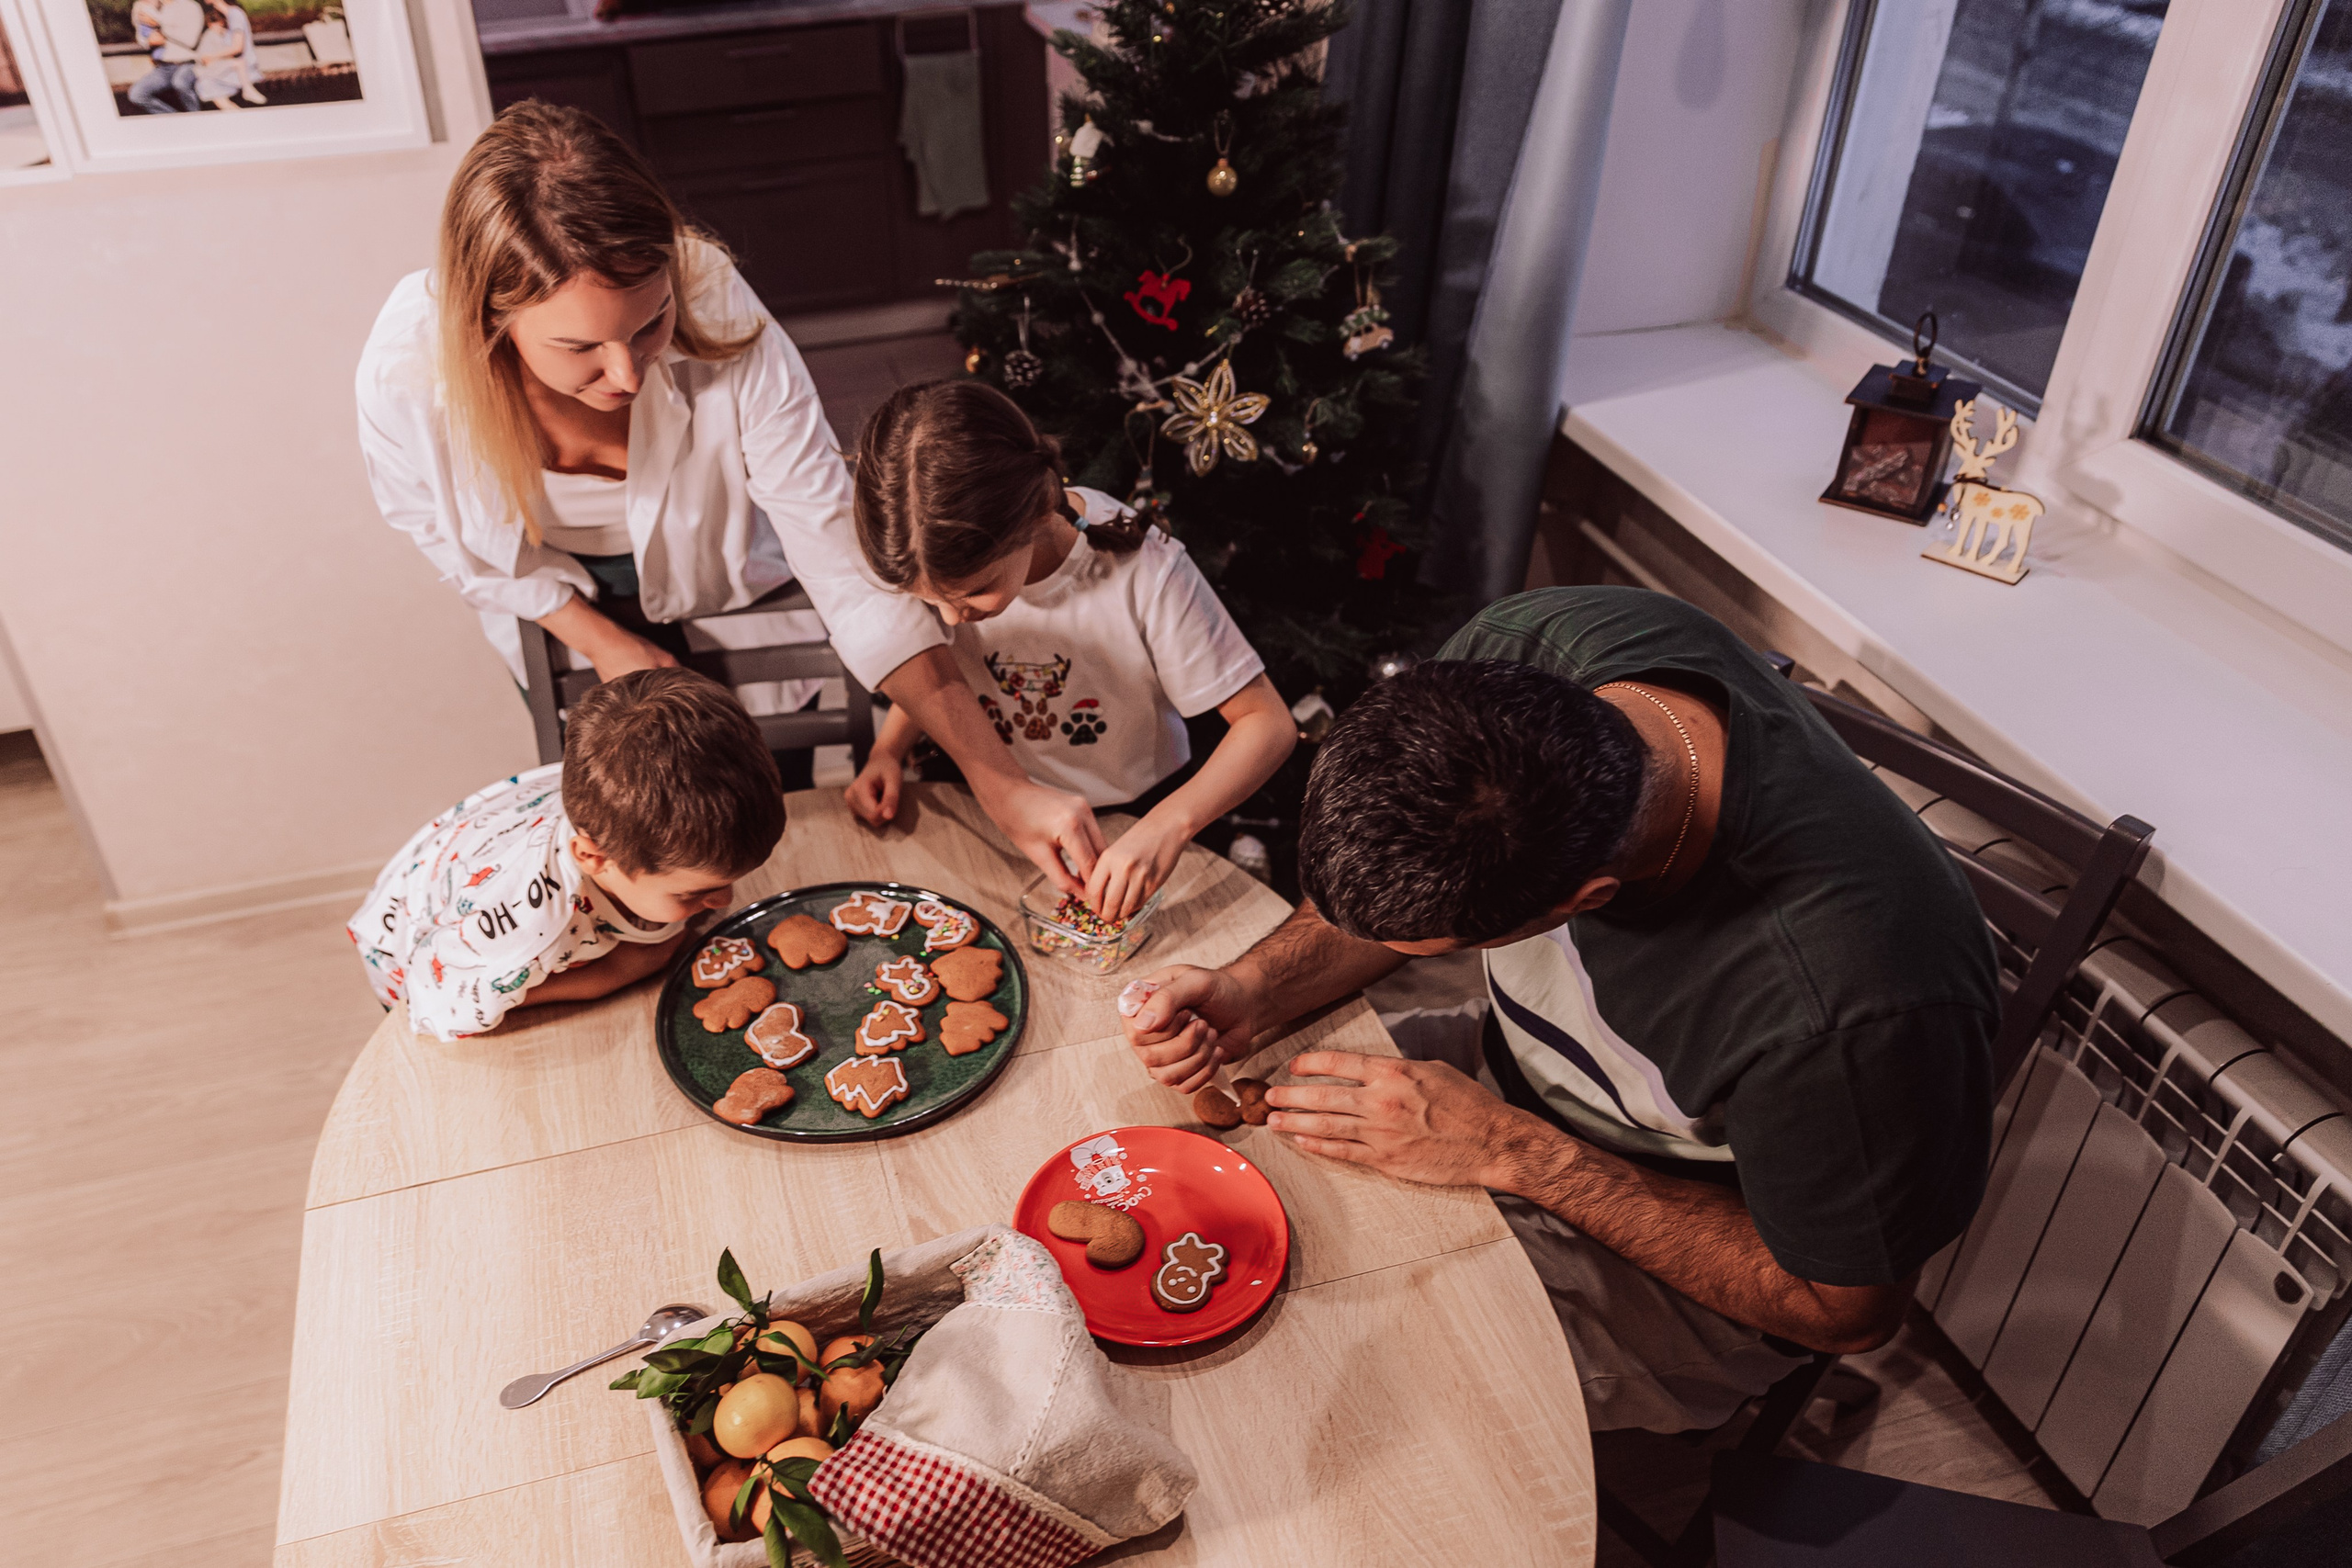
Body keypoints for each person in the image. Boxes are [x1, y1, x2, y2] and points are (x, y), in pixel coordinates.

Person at [1118, 587, 1998, 1433]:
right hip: (1507, 1078)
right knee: (1218, 1212)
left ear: (1587, 898)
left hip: (1689, 1256)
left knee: (1312, 1372)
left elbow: (1845, 1311)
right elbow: (1412, 889)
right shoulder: (1535, 653)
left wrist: (1510, 1150)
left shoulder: (1850, 1005)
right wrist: (1257, 986)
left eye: (1446, 947)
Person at [356, 102, 1102, 890]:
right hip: (556, 597)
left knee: (763, 806)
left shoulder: (715, 299)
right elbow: (444, 537)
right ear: (492, 320)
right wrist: (606, 643)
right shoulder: (409, 371)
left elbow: (842, 561)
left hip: (731, 576)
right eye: (579, 348)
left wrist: (1002, 782)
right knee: (659, 849)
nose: (627, 375)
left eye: (649, 325)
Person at [842, 380, 1296, 919]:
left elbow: (1268, 724)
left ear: (1034, 514)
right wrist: (889, 750)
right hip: (1000, 811)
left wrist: (1168, 825)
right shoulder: (946, 571)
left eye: (973, 594)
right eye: (928, 603)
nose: (950, 619)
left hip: (1138, 813)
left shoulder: (1146, 572)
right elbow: (941, 664)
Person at [350, 668, 780, 1042]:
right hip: (413, 952)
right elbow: (437, 1004)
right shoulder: (529, 926)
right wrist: (614, 973)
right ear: (594, 858)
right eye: (694, 892)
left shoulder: (624, 801)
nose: (726, 900)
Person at [126, 0, 202, 114]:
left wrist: (159, 24)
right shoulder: (159, 6)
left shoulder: (190, 6)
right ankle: (174, 120)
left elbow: (190, 40)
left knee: (180, 83)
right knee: (136, 94)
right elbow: (142, 32)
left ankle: (198, 118)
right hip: (165, 66)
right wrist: (148, 41)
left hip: (187, 63)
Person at [190, 0, 266, 110]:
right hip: (230, 66)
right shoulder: (222, 15)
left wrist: (212, 56)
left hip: (242, 68)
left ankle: (247, 90)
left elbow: (237, 47)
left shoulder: (234, 14)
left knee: (206, 83)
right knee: (206, 84)